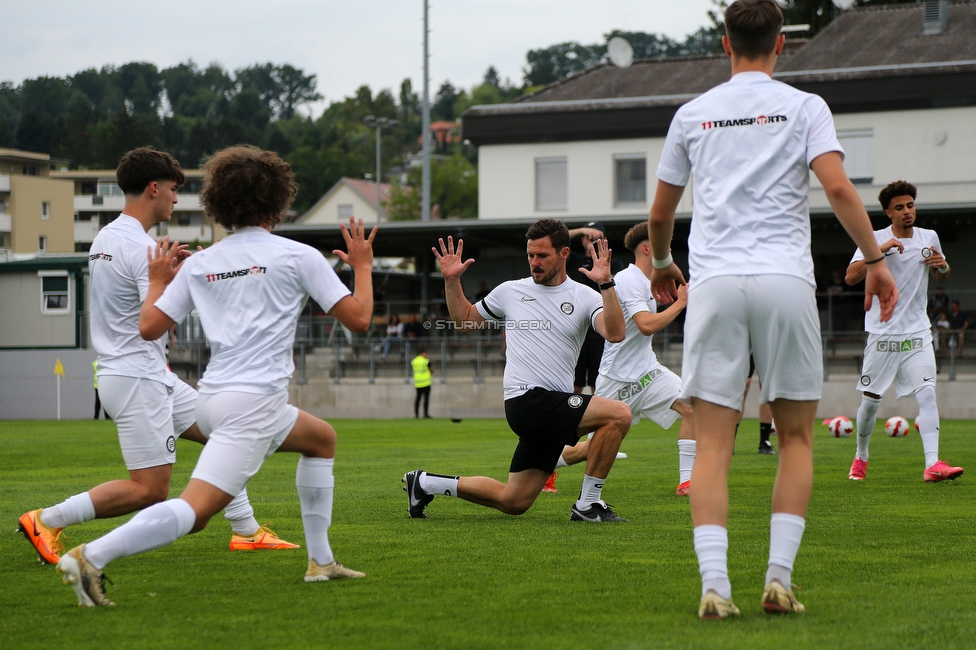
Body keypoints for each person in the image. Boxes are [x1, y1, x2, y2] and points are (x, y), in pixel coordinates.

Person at [648, 0, 897, 619]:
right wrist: (876, 260)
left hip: (714, 286)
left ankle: (715, 586)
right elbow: (838, 188)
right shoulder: (806, 106)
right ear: (781, 44)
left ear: (725, 43)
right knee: (794, 438)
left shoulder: (692, 113)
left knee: (711, 444)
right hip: (785, 281)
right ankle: (778, 581)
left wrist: (659, 263)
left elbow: (659, 216)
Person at [55, 146, 375, 607]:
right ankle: (90, 556)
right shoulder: (297, 255)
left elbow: (148, 327)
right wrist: (361, 266)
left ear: (218, 202)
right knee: (196, 512)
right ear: (278, 198)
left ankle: (321, 562)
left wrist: (161, 282)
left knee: (321, 439)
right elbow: (360, 319)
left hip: (212, 400)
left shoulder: (203, 261)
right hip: (253, 405)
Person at [19, 147, 295, 568]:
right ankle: (47, 519)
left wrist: (175, 271)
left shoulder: (112, 237)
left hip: (144, 373)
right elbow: (159, 317)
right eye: (172, 190)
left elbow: (140, 299)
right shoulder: (137, 247)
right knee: (149, 489)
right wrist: (184, 280)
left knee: (225, 434)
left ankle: (246, 530)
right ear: (153, 188)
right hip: (135, 378)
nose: (175, 199)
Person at [404, 218, 631, 522]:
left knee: (514, 500)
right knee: (619, 414)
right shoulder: (510, 291)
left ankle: (424, 483)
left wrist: (606, 284)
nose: (534, 263)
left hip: (549, 405)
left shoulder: (584, 296)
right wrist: (451, 280)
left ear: (564, 253)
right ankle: (589, 505)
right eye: (530, 255)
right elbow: (465, 321)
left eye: (542, 256)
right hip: (527, 401)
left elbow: (615, 333)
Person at [548, 222, 696, 496]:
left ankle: (687, 483)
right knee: (591, 448)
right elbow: (646, 325)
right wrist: (680, 303)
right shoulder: (629, 281)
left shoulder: (649, 281)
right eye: (664, 244)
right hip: (616, 379)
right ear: (647, 248)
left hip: (648, 372)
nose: (669, 250)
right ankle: (547, 463)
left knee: (691, 407)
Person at [846, 180, 962, 484]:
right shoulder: (873, 238)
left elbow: (941, 276)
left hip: (918, 333)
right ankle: (861, 457)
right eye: (899, 207)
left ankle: (932, 464)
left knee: (927, 395)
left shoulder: (929, 237)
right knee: (870, 403)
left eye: (910, 205)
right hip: (883, 336)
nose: (907, 211)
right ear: (888, 212)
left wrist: (943, 266)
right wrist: (878, 252)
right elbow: (850, 277)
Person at [412, 348, 433, 418]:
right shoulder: (425, 361)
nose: (426, 355)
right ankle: (425, 414)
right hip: (426, 382)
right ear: (422, 353)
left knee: (418, 399)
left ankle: (416, 414)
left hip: (417, 383)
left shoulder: (414, 361)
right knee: (426, 399)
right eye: (425, 353)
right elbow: (431, 369)